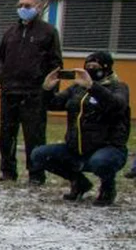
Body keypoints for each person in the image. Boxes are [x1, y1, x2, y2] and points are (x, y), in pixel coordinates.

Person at [31, 52, 129, 207]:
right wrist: (47, 89)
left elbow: (117, 105)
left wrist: (92, 87)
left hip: (108, 148)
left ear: (106, 68)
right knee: (39, 155)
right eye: (87, 67)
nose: (90, 70)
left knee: (100, 162)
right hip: (77, 148)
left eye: (95, 67)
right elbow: (53, 104)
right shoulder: (77, 88)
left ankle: (108, 188)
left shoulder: (119, 87)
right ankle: (79, 182)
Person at [0, 0, 62, 184]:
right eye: (20, 5)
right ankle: (7, 171)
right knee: (6, 135)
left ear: (38, 7)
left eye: (28, 6)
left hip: (34, 94)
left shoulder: (48, 32)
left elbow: (55, 63)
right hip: (10, 92)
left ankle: (36, 174)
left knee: (34, 136)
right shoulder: (10, 32)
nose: (23, 9)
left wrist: (49, 91)